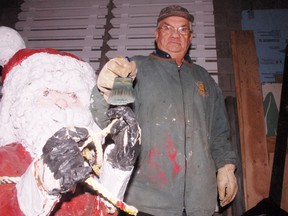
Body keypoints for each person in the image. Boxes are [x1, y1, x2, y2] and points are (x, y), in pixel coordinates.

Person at [90, 5, 238, 216]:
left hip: (199, 202)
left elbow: (219, 132)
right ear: (156, 34)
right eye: (167, 28)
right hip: (146, 201)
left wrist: (226, 167)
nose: (175, 35)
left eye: (182, 29)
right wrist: (106, 89)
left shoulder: (203, 77)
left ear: (191, 37)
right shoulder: (134, 68)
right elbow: (110, 120)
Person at [0, 26, 140, 216]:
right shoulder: (7, 159)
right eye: (47, 93)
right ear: (21, 102)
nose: (63, 102)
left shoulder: (88, 162)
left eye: (73, 95)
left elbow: (102, 211)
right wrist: (42, 181)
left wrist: (116, 170)